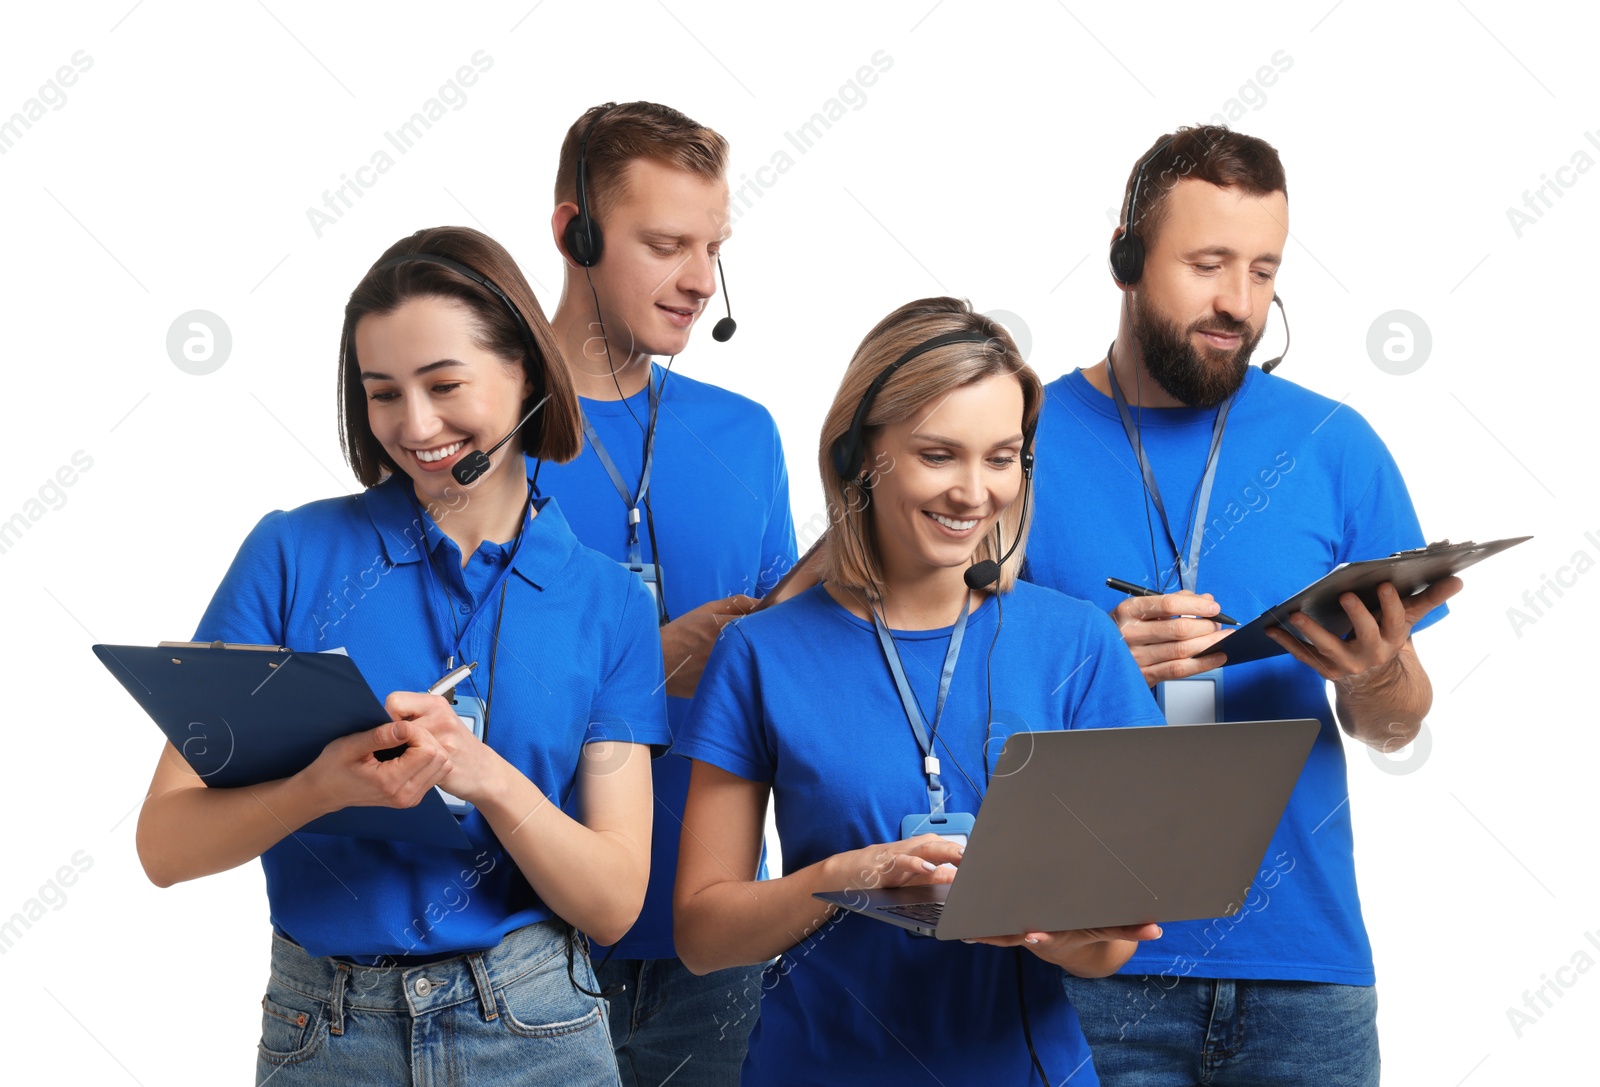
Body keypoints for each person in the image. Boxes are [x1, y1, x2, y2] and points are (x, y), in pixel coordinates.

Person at [135, 225, 670, 1086]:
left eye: (445, 384)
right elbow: (165, 845)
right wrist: (320, 786)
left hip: (537, 1030)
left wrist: (486, 774)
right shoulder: (290, 554)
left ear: (527, 368)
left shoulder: (608, 602)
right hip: (324, 1032)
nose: (416, 425)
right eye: (384, 393)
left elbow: (612, 902)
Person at [1024, 126, 1463, 1085]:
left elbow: (1396, 725)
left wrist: (1380, 674)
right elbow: (940, 688)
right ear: (1126, 258)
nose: (1238, 303)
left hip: (1305, 979)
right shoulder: (1011, 441)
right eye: (1208, 264)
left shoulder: (1336, 444)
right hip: (1086, 961)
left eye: (1264, 271)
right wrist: (1087, 659)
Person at [672, 297, 1168, 1086]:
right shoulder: (759, 652)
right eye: (940, 454)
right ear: (860, 456)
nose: (976, 493)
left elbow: (1106, 945)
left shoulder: (1075, 642)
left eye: (1002, 456)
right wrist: (849, 876)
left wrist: (1052, 933)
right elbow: (702, 931)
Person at [539, 101, 798, 1085]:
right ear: (576, 235)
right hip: (520, 943)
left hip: (716, 945)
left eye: (712, 247)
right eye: (664, 245)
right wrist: (650, 665)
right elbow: (440, 696)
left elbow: (788, 682)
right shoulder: (473, 432)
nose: (699, 280)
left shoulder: (746, 433)